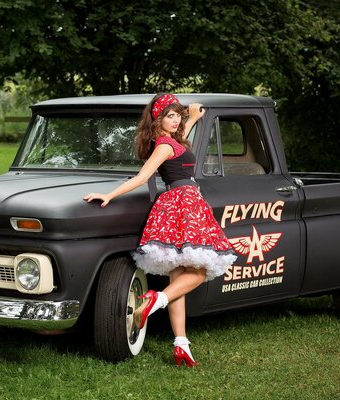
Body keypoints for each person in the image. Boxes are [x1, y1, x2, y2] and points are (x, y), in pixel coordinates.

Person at [83, 93, 236, 367]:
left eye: (177, 115)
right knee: (199, 273)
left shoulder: (173, 139)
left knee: (178, 277)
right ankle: (155, 300)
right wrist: (109, 195)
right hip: (183, 204)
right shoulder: (164, 145)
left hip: (179, 204)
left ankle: (181, 344)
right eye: (170, 116)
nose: (176, 120)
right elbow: (143, 177)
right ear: (158, 121)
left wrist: (191, 117)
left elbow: (181, 135)